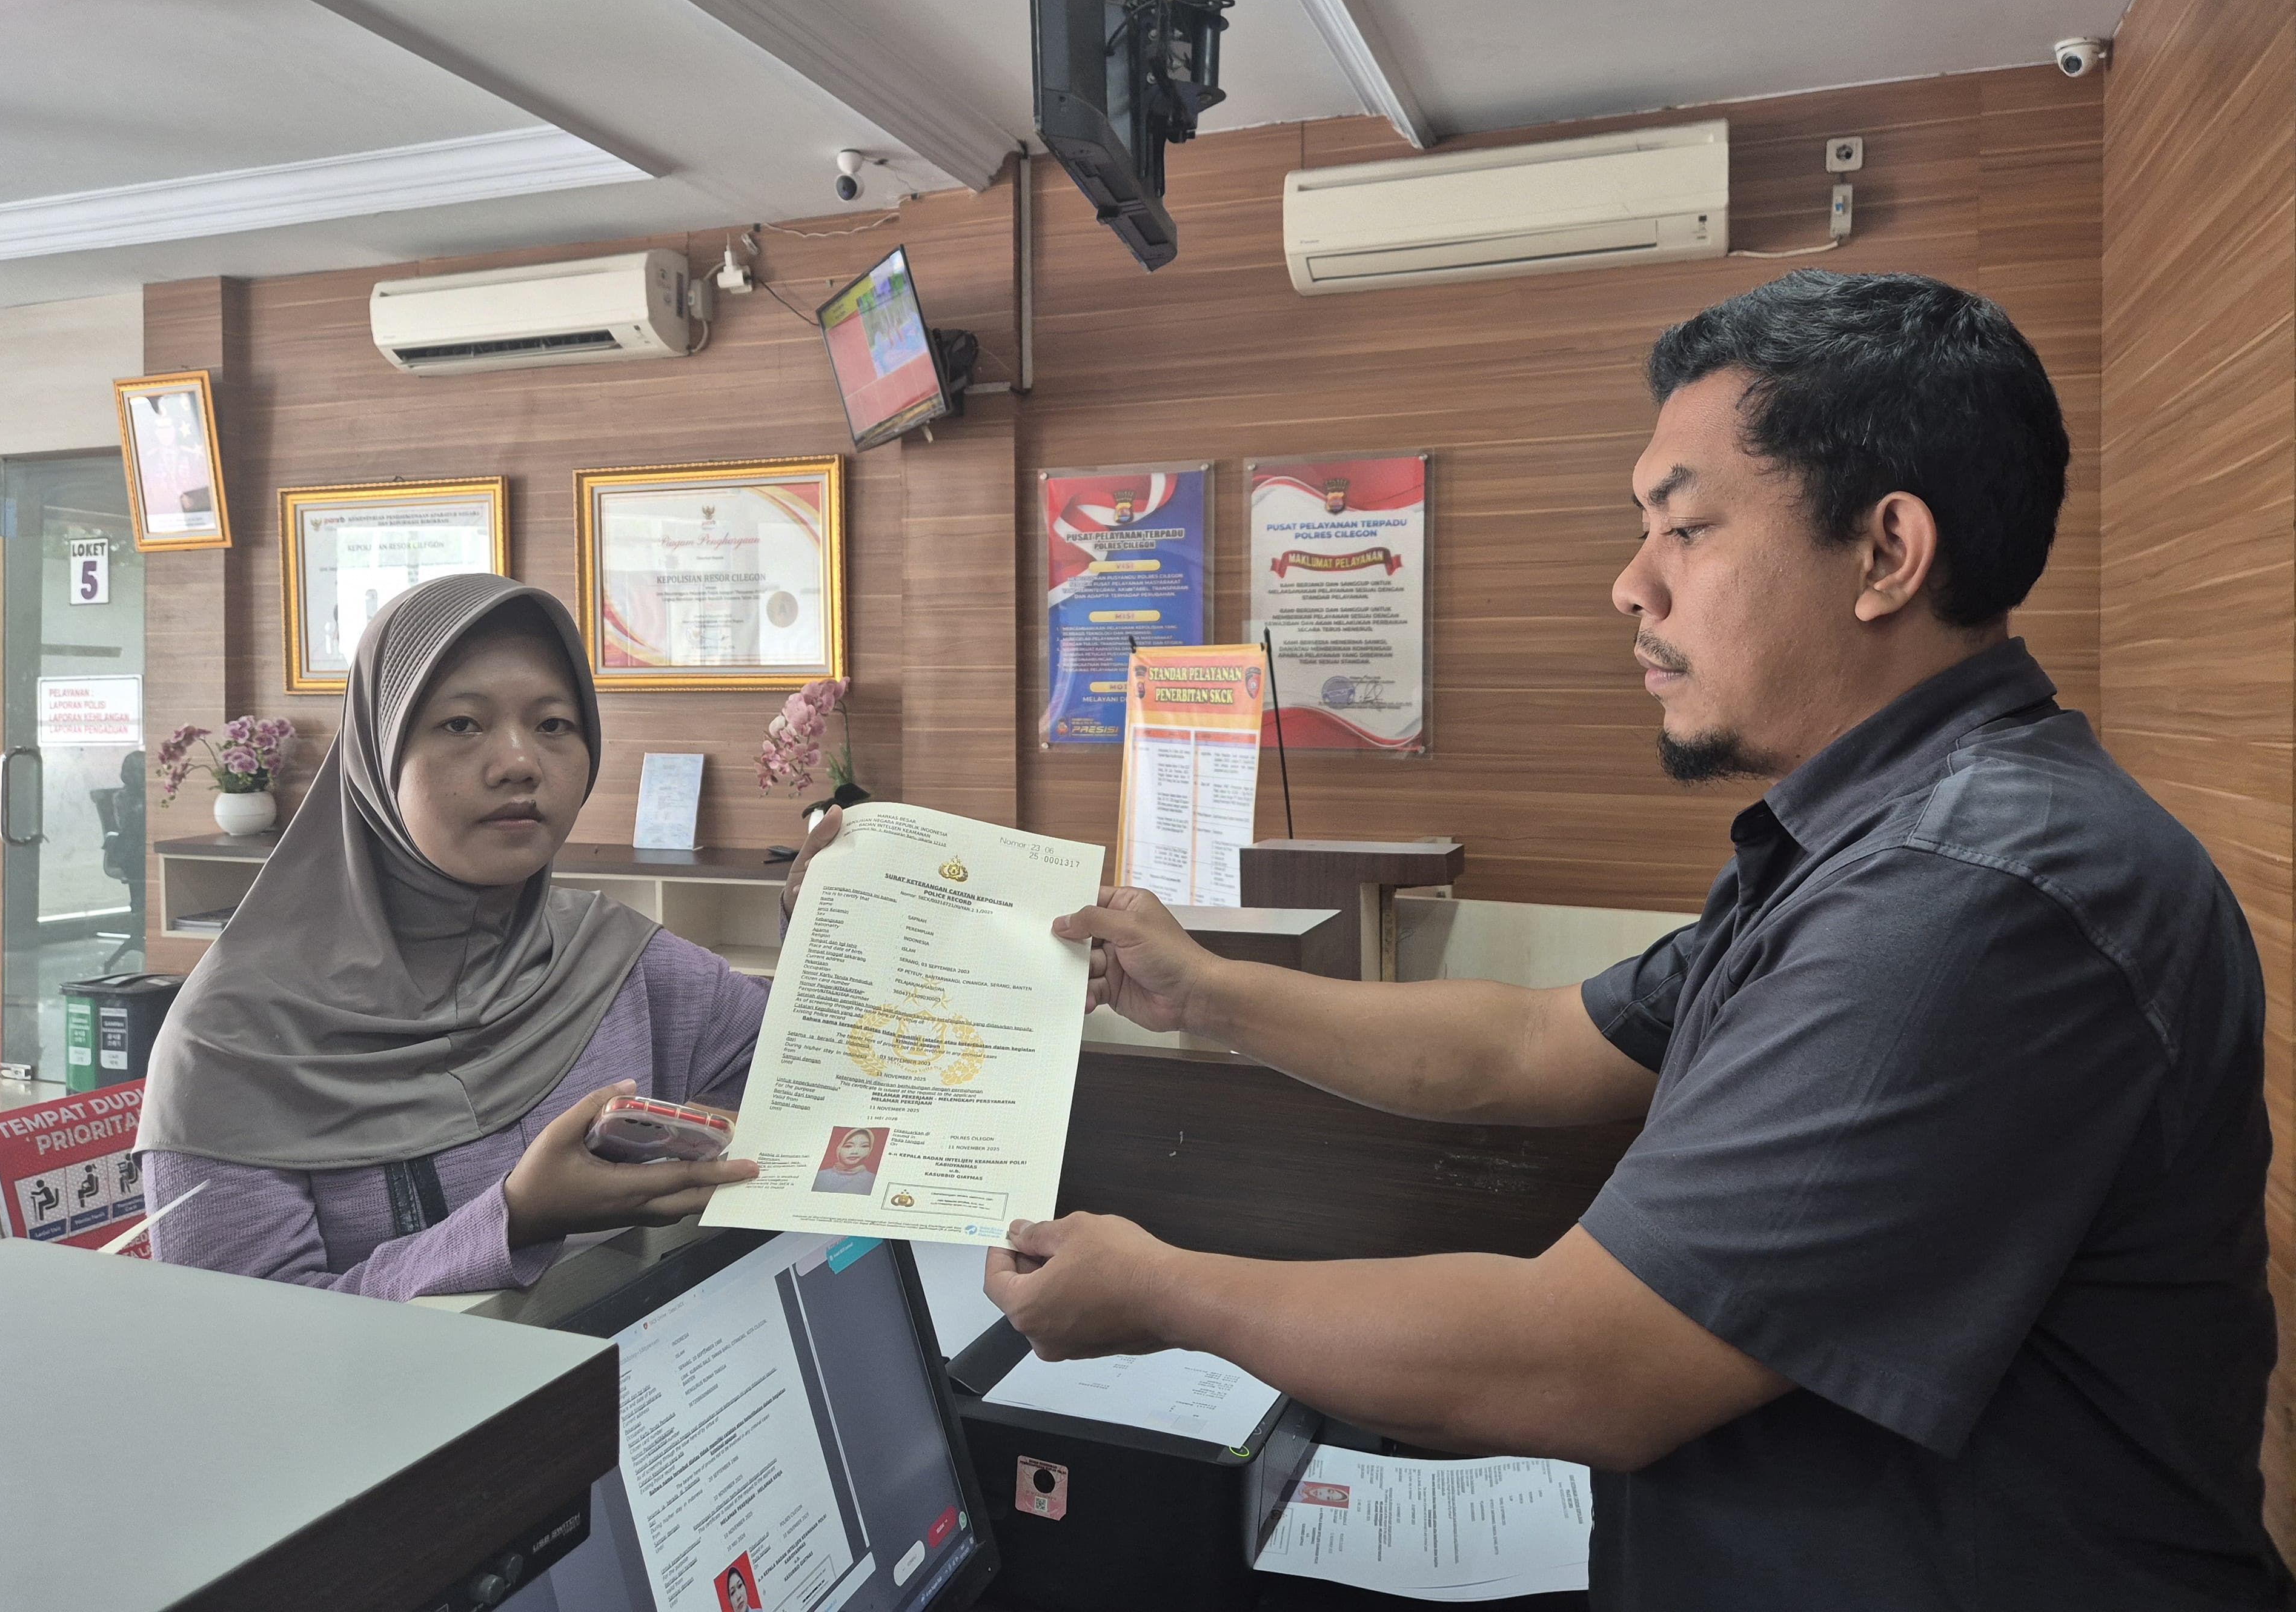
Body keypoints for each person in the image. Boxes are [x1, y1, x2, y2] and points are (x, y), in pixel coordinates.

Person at [986, 271, 2289, 1609]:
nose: (1630, 586)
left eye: (1686, 528)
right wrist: (1204, 995)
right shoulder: (1873, 834)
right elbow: (1534, 1044)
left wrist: (1162, 1293)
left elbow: (1581, 1364)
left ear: (1886, 554)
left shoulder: (1967, 894)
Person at [137, 574, 838, 1298]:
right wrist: (515, 1220)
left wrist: (832, 930)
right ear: (378, 753)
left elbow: (814, 1074)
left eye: (554, 725)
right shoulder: (233, 1041)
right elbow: (238, 1337)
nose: (520, 763)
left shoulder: (613, 959)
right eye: (462, 725)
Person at [811, 1127, 883, 1195]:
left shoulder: (873, 1180)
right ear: (838, 1148)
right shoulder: (820, 1176)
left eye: (864, 1146)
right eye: (848, 1146)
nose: (855, 1152)